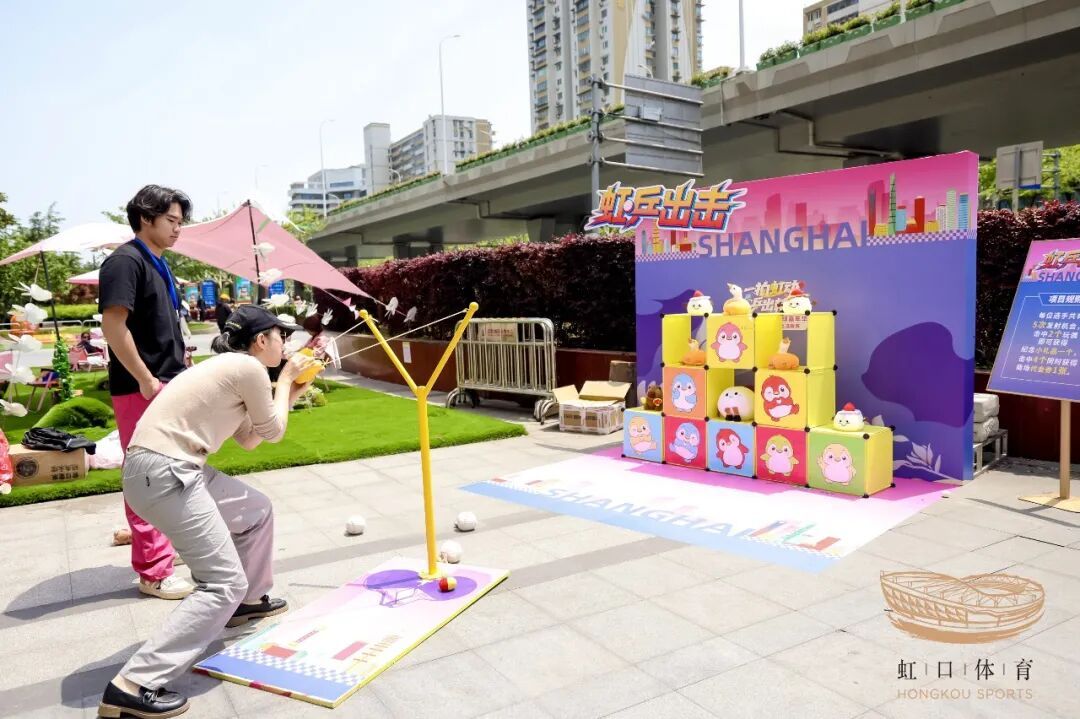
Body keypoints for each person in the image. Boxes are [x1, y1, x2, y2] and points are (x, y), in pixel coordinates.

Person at [96, 305, 318, 719]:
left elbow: (251, 438)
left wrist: (293, 390)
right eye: (281, 336)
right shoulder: (248, 367)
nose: (286, 344)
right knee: (221, 583)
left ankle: (247, 602)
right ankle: (132, 686)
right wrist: (286, 379)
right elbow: (273, 432)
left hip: (164, 470)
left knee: (255, 510)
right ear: (261, 341)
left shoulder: (231, 369)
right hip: (168, 472)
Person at [99, 185, 194, 601]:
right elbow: (113, 325)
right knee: (146, 477)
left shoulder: (158, 263)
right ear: (145, 218)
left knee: (173, 472)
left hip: (167, 382)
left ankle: (165, 550)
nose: (177, 229)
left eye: (180, 222)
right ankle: (154, 572)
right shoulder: (125, 261)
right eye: (171, 220)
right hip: (143, 387)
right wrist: (145, 379)